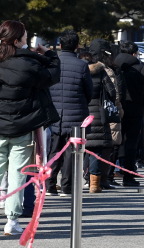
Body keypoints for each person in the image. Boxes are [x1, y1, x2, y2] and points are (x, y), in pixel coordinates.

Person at [0, 20, 61, 235]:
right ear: (17, 40)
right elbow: (52, 76)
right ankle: (11, 221)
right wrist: (49, 54)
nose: (27, 42)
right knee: (17, 176)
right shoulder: (30, 64)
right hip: (23, 127)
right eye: (25, 38)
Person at [47, 30, 94, 196]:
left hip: (54, 114)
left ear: (60, 45)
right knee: (70, 152)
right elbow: (89, 92)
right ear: (77, 46)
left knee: (54, 150)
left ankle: (49, 185)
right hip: (76, 113)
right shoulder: (82, 65)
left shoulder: (52, 63)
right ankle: (67, 187)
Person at [114, 41, 144, 187]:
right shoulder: (139, 67)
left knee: (113, 142)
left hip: (113, 108)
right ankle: (128, 177)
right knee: (131, 143)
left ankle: (106, 176)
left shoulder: (113, 65)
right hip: (134, 108)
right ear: (135, 53)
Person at [89, 39, 125, 189]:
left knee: (89, 147)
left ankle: (90, 179)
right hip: (103, 114)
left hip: (86, 113)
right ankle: (100, 180)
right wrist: (120, 111)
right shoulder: (106, 71)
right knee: (103, 148)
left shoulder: (83, 68)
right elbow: (113, 95)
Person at [78, 48, 116, 193]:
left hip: (81, 114)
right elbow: (112, 92)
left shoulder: (77, 71)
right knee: (97, 150)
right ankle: (94, 184)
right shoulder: (100, 72)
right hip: (99, 115)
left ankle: (84, 178)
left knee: (82, 149)